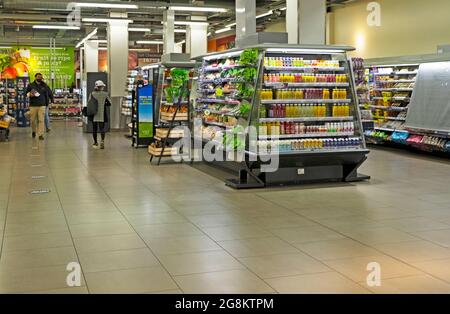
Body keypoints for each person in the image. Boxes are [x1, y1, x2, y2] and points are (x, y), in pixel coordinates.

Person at [26, 73, 53, 140]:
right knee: (33, 121)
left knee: (41, 120)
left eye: (41, 77)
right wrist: (29, 95)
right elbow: (25, 93)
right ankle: (33, 131)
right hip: (33, 105)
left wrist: (52, 101)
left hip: (42, 105)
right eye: (38, 77)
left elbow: (50, 93)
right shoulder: (30, 85)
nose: (40, 78)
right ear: (35, 77)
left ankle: (40, 134)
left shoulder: (45, 85)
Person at [88, 80, 111, 149]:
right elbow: (110, 103)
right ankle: (102, 141)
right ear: (101, 87)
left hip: (93, 114)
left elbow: (89, 103)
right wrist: (104, 104)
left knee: (94, 129)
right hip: (102, 114)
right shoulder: (105, 94)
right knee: (102, 129)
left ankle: (95, 142)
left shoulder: (92, 94)